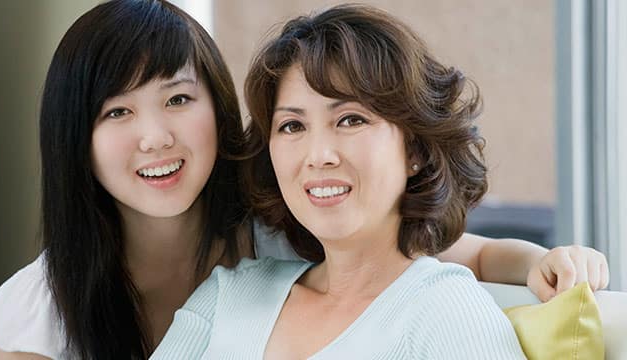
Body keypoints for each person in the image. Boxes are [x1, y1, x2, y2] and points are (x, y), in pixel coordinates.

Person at [0, 1, 609, 359]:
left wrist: (543, 261)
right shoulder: (227, 294)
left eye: (177, 100)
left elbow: (458, 255)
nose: (155, 137)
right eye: (116, 111)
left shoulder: (278, 236)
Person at [149, 4, 576, 359]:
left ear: (415, 151)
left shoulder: (444, 313)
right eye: (293, 126)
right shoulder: (231, 294)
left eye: (350, 120)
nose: (318, 156)